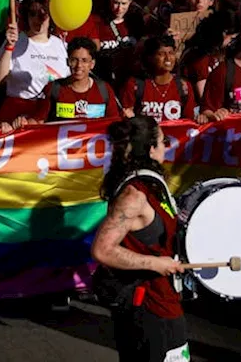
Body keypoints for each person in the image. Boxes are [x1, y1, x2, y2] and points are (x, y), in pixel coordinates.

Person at [90, 117, 188, 362]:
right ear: (151, 149)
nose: (167, 146)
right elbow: (103, 250)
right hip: (149, 308)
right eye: (163, 141)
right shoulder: (133, 195)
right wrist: (155, 264)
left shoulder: (150, 185)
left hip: (162, 301)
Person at [0, 0, 69, 123]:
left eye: (42, 14)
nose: (37, 19)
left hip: (50, 112)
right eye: (32, 13)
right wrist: (9, 47)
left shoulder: (60, 44)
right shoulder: (15, 40)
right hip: (18, 111)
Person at [121, 35, 202, 123]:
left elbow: (188, 121)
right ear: (150, 57)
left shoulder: (184, 87)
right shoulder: (135, 84)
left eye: (171, 53)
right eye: (161, 54)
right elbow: (126, 115)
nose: (168, 58)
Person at [38, 38, 121, 121]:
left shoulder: (105, 90)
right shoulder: (54, 89)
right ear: (68, 62)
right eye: (74, 60)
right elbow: (38, 120)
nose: (79, 65)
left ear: (92, 64)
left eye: (84, 61)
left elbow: (114, 122)